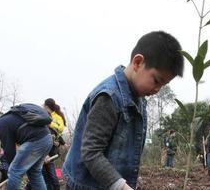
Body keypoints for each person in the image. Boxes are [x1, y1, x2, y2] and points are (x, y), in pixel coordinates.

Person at [62, 31, 184, 190]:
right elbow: (91, 153)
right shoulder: (109, 98)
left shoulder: (138, 100)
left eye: (162, 86)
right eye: (156, 81)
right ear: (138, 62)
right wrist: (122, 187)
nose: (157, 90)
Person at [0, 104, 52, 190]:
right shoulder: (8, 118)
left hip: (36, 140)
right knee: (34, 172)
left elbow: (9, 151)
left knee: (14, 171)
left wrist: (12, 169)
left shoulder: (1, 124)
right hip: (47, 138)